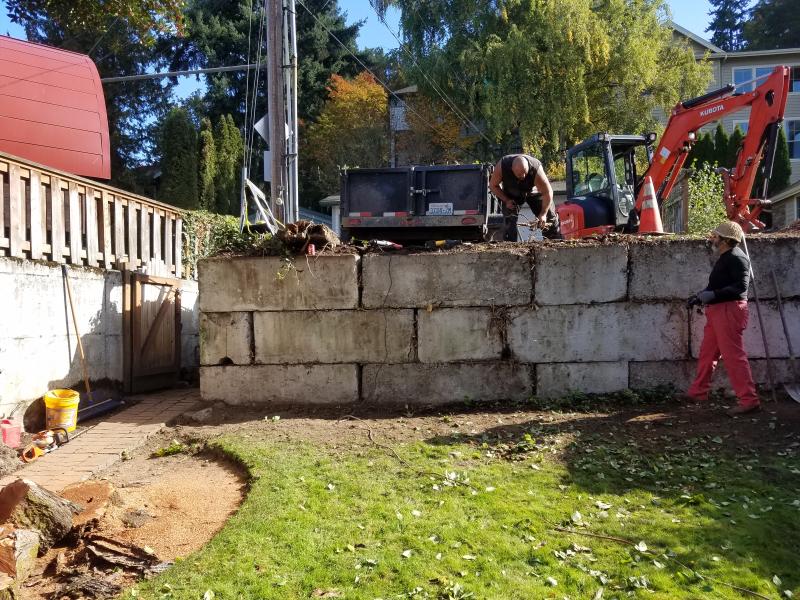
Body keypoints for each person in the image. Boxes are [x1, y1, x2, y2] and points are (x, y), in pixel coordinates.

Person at [686, 221, 760, 416]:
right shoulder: (726, 257)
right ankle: (698, 392)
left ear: (726, 240)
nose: (713, 238)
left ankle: (749, 400)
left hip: (729, 311)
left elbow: (740, 288)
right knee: (707, 353)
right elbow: (717, 285)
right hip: (718, 311)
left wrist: (714, 295)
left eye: (716, 236)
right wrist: (700, 296)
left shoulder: (737, 258)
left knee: (734, 357)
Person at [489, 154, 562, 241]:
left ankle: (554, 243)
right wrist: (507, 200)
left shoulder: (536, 168)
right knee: (508, 220)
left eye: (525, 173)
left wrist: (543, 214)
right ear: (512, 169)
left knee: (549, 217)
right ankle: (509, 245)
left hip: (534, 191)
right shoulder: (502, 166)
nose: (523, 176)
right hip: (512, 193)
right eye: (520, 175)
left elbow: (548, 192)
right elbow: (493, 186)